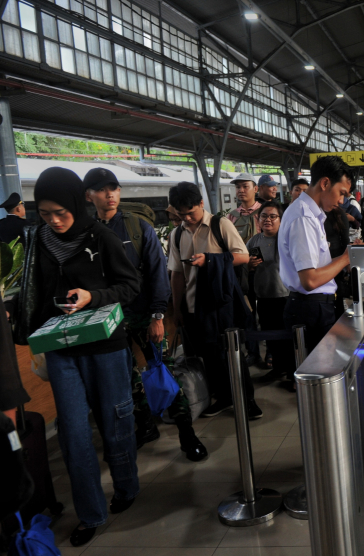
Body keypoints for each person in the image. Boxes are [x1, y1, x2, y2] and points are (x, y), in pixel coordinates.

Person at [18, 167, 141, 546]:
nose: (53, 221)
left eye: (60, 212)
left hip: (104, 344)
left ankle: (126, 486)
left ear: (76, 203)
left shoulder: (101, 236)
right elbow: (34, 288)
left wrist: (92, 296)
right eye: (44, 213)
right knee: (72, 432)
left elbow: (129, 286)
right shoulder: (37, 240)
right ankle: (90, 512)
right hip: (61, 347)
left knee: (115, 416)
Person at [82, 168, 206, 462]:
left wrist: (158, 316)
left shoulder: (137, 227)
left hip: (143, 314)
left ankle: (188, 435)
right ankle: (145, 426)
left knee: (161, 371)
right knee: (124, 378)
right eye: (101, 189)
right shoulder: (87, 233)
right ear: (89, 196)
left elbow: (156, 273)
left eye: (114, 188)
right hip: (108, 320)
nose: (110, 194)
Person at [167, 182, 260, 419]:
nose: (187, 218)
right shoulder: (177, 234)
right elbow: (177, 274)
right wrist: (177, 308)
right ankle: (224, 397)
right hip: (193, 307)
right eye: (181, 214)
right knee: (208, 356)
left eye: (191, 212)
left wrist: (209, 260)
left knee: (232, 353)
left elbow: (243, 256)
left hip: (221, 304)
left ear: (201, 203)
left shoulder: (221, 224)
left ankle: (247, 400)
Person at [279, 156, 362, 365]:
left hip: (313, 307)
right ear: (325, 183)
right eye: (341, 193)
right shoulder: (304, 218)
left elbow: (317, 266)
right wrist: (345, 258)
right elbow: (310, 280)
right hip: (310, 310)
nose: (342, 201)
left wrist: (345, 257)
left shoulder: (311, 215)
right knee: (321, 375)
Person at [246, 202, 294, 382]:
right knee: (270, 337)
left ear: (281, 220)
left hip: (285, 297)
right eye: (264, 216)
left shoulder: (286, 239)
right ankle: (278, 368)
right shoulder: (254, 240)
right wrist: (248, 265)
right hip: (263, 297)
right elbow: (246, 262)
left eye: (272, 216)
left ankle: (291, 372)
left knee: (287, 338)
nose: (267, 220)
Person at [228, 173, 262, 365]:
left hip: (266, 271)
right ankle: (253, 351)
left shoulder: (266, 211)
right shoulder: (232, 216)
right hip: (242, 272)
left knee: (267, 313)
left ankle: (272, 352)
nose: (241, 190)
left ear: (255, 189)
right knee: (247, 313)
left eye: (245, 186)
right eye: (238, 187)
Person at [324, 204, 351, 318]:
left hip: (336, 258)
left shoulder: (339, 214)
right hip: (320, 260)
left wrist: (346, 262)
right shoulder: (313, 214)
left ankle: (338, 320)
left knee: (337, 293)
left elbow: (345, 239)